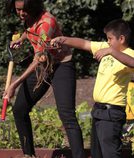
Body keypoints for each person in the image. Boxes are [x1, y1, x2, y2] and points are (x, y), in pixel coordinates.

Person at [4, 0, 85, 158]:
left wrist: (14, 84)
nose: (21, 14)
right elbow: (30, 31)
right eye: (18, 10)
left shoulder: (47, 23)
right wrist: (21, 39)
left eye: (24, 10)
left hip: (61, 66)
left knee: (67, 115)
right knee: (20, 109)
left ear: (33, 7)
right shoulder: (29, 18)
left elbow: (38, 59)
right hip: (44, 66)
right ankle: (29, 155)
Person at [50, 19, 134, 158]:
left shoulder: (129, 53)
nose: (107, 42)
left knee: (111, 154)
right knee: (97, 154)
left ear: (121, 38)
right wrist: (62, 39)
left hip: (111, 113)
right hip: (98, 111)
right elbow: (84, 43)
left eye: (110, 39)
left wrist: (111, 51)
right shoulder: (105, 47)